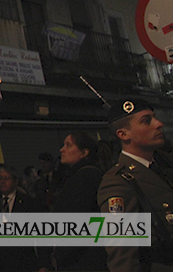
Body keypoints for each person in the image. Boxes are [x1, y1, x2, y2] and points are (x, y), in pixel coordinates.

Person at [98, 98, 173, 272]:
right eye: (147, 121)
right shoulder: (118, 182)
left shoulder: (163, 168)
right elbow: (122, 256)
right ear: (123, 134)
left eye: (155, 118)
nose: (159, 124)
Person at [52, 131, 107, 271]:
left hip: (82, 259)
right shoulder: (78, 175)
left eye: (68, 145)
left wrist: (61, 255)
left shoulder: (85, 177)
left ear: (84, 153)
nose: (62, 149)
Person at [0, 164, 49, 272]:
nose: (3, 182)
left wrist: (43, 264)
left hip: (23, 261)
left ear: (15, 181)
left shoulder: (29, 203)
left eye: (7, 178)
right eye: (0, 179)